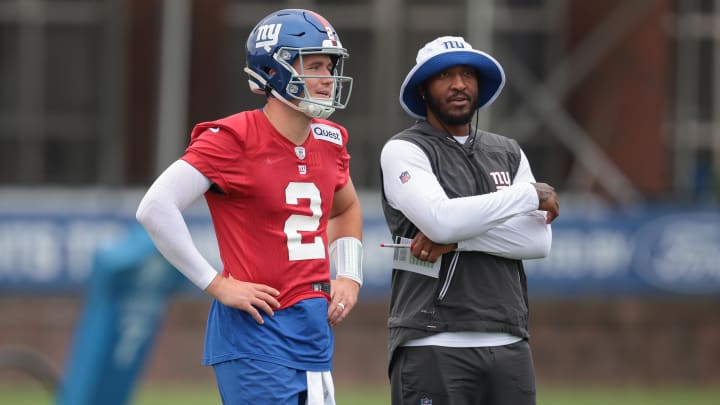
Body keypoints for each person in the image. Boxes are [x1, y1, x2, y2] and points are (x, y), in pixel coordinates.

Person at [136, 9, 363, 404]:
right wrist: (216, 283)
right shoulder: (233, 138)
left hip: (313, 334)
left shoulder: (329, 139)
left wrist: (350, 275)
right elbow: (155, 207)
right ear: (273, 70)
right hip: (257, 332)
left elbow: (344, 210)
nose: (327, 76)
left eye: (329, 64)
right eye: (313, 64)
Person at [380, 36, 560, 405]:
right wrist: (528, 195)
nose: (459, 84)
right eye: (444, 74)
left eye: (467, 74)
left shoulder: (508, 152)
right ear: (424, 90)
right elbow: (442, 221)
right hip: (430, 339)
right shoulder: (404, 149)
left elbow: (538, 241)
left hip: (509, 341)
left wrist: (460, 240)